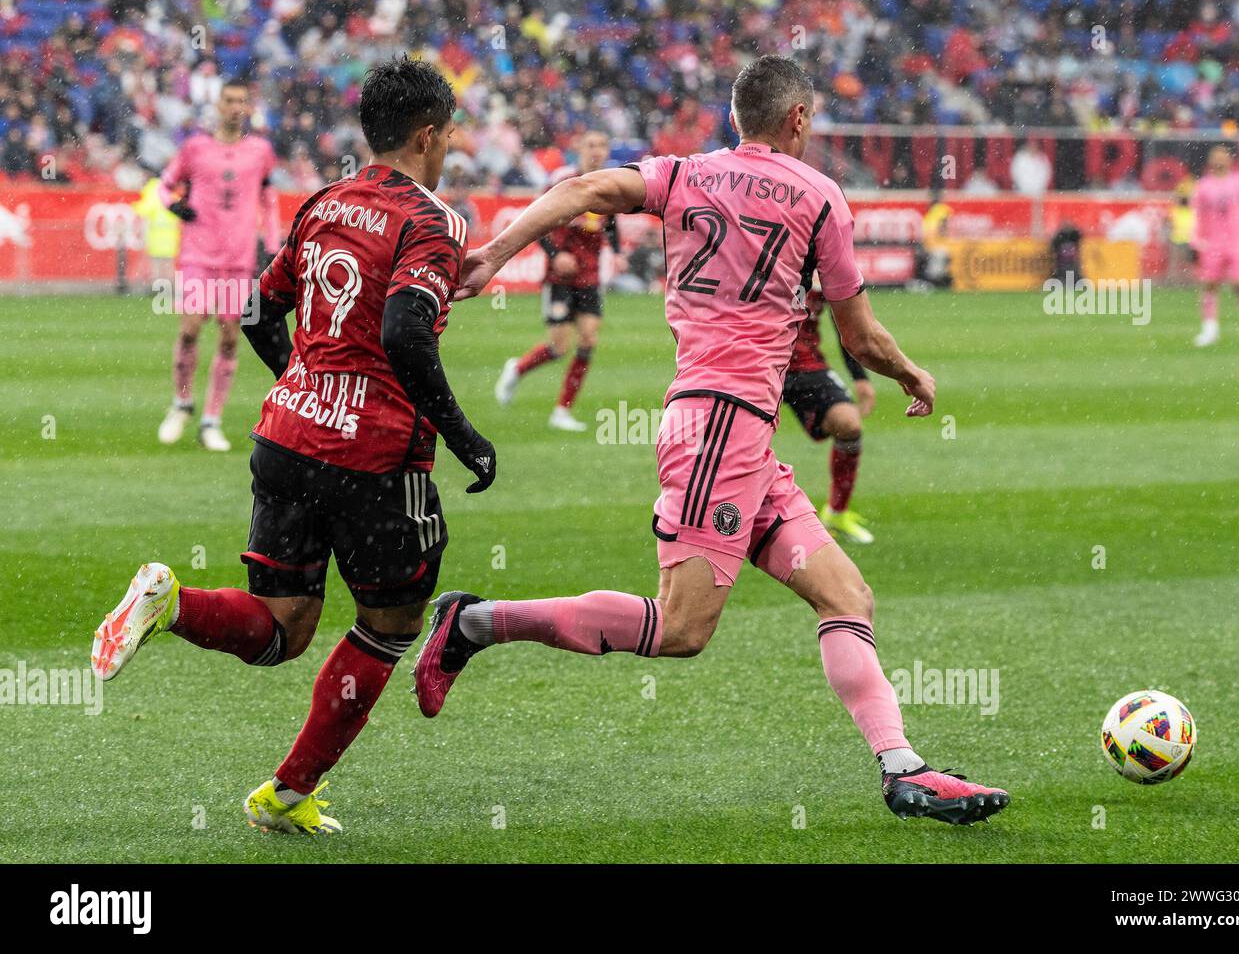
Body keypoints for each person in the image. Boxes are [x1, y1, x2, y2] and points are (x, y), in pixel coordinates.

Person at [417, 55, 1009, 826]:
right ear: (798, 120)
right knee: (681, 628)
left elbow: (584, 189)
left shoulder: (686, 173)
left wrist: (496, 253)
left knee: (845, 594)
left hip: (737, 433)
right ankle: (472, 621)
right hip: (720, 428)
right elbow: (858, 334)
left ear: (736, 117)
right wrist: (909, 373)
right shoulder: (822, 196)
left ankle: (905, 771)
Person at [90, 57, 495, 835]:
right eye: (449, 136)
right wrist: (463, 433)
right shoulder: (432, 221)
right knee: (392, 624)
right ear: (429, 134)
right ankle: (287, 791)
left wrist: (300, 381)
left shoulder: (324, 201)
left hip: (286, 437)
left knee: (282, 628)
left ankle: (170, 601)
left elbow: (252, 308)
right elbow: (405, 329)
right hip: (376, 458)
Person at [155, 80, 280, 451]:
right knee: (191, 328)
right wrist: (174, 204)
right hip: (197, 254)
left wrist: (272, 246)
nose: (236, 107)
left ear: (248, 107)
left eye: (242, 101)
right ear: (219, 105)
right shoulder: (195, 148)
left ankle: (211, 420)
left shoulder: (260, 152)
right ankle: (181, 402)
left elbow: (269, 200)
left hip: (238, 261)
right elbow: (164, 185)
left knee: (229, 337)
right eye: (230, 100)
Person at [494, 130, 628, 431]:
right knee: (558, 346)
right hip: (561, 275)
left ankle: (562, 411)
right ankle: (517, 368)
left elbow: (612, 223)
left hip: (590, 274)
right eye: (591, 144)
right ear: (579, 147)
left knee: (589, 338)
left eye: (602, 144)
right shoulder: (563, 180)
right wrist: (555, 255)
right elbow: (536, 220)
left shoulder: (611, 183)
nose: (596, 150)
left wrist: (617, 253)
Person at [785, 288, 876, 544]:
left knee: (848, 425)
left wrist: (859, 377)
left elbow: (846, 324)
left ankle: (837, 513)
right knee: (740, 437)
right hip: (756, 362)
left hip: (806, 366)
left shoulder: (823, 261)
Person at [1190, 145, 1239, 347]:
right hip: (1213, 242)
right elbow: (1197, 216)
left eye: (1222, 156)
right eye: (1215, 157)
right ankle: (1209, 329)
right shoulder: (1203, 186)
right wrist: (1194, 241)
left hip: (1238, 240)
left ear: (1230, 160)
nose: (1219, 160)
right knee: (1209, 285)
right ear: (1210, 161)